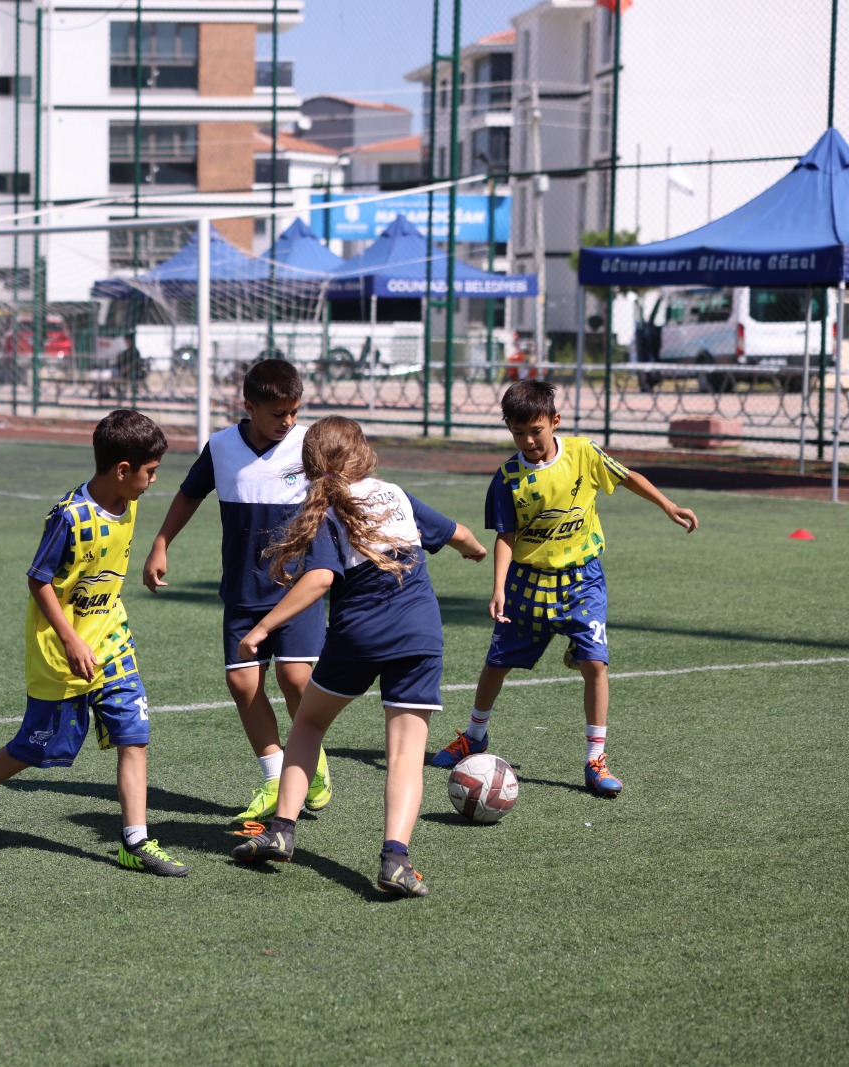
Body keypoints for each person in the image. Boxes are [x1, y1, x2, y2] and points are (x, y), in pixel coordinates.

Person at [229, 417, 487, 898]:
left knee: (308, 725)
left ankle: (282, 829)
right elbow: (460, 534)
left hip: (359, 635)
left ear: (310, 465)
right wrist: (474, 550)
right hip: (419, 635)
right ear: (363, 452)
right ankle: (396, 860)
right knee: (405, 755)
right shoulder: (397, 495)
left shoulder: (326, 509)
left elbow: (322, 578)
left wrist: (263, 627)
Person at [0, 409, 188, 877]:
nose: (154, 481)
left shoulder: (127, 499)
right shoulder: (70, 517)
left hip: (112, 638)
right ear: (122, 470)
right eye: (151, 472)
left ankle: (134, 841)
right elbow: (39, 582)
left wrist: (153, 555)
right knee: (38, 747)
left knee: (134, 734)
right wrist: (71, 639)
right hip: (62, 650)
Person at [429, 379, 698, 797]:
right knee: (497, 663)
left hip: (581, 581)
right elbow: (505, 537)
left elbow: (627, 478)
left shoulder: (584, 453)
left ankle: (595, 759)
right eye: (518, 433)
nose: (529, 440)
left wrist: (667, 505)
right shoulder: (507, 479)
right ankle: (474, 735)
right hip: (527, 584)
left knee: (596, 664)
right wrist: (498, 587)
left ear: (554, 421)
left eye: (536, 430)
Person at [142, 359, 335, 824]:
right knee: (242, 682)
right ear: (248, 406)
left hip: (296, 589)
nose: (287, 422)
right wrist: (161, 543)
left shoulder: (310, 444)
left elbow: (341, 496)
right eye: (276, 413)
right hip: (243, 589)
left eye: (294, 411)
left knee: (295, 679)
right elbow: (190, 493)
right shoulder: (222, 446)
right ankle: (275, 774)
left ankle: (311, 760)